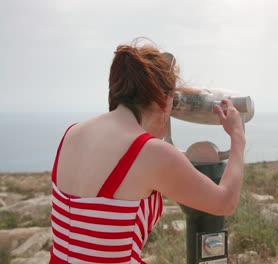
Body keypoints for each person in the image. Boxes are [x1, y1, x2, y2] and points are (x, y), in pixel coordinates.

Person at [49, 38, 245, 263]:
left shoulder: (71, 134)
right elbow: (225, 202)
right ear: (164, 99)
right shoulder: (149, 153)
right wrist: (237, 137)